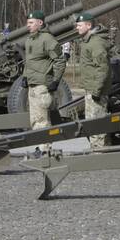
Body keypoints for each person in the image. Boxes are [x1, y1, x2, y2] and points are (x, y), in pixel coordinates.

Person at [23, 10, 67, 147]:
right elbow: (29, 61)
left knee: (42, 120)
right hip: (32, 85)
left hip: (42, 86)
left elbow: (60, 60)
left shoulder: (47, 39)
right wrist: (25, 76)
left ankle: (45, 150)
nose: (28, 26)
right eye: (27, 23)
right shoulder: (29, 39)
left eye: (31, 23)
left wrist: (56, 81)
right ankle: (39, 147)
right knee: (34, 120)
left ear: (40, 23)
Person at [74, 11, 112, 151]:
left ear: (88, 25)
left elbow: (103, 68)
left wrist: (96, 90)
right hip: (91, 88)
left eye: (79, 25)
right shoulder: (88, 41)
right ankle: (103, 150)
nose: (77, 28)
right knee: (96, 123)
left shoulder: (95, 43)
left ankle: (98, 153)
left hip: (96, 91)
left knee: (96, 124)